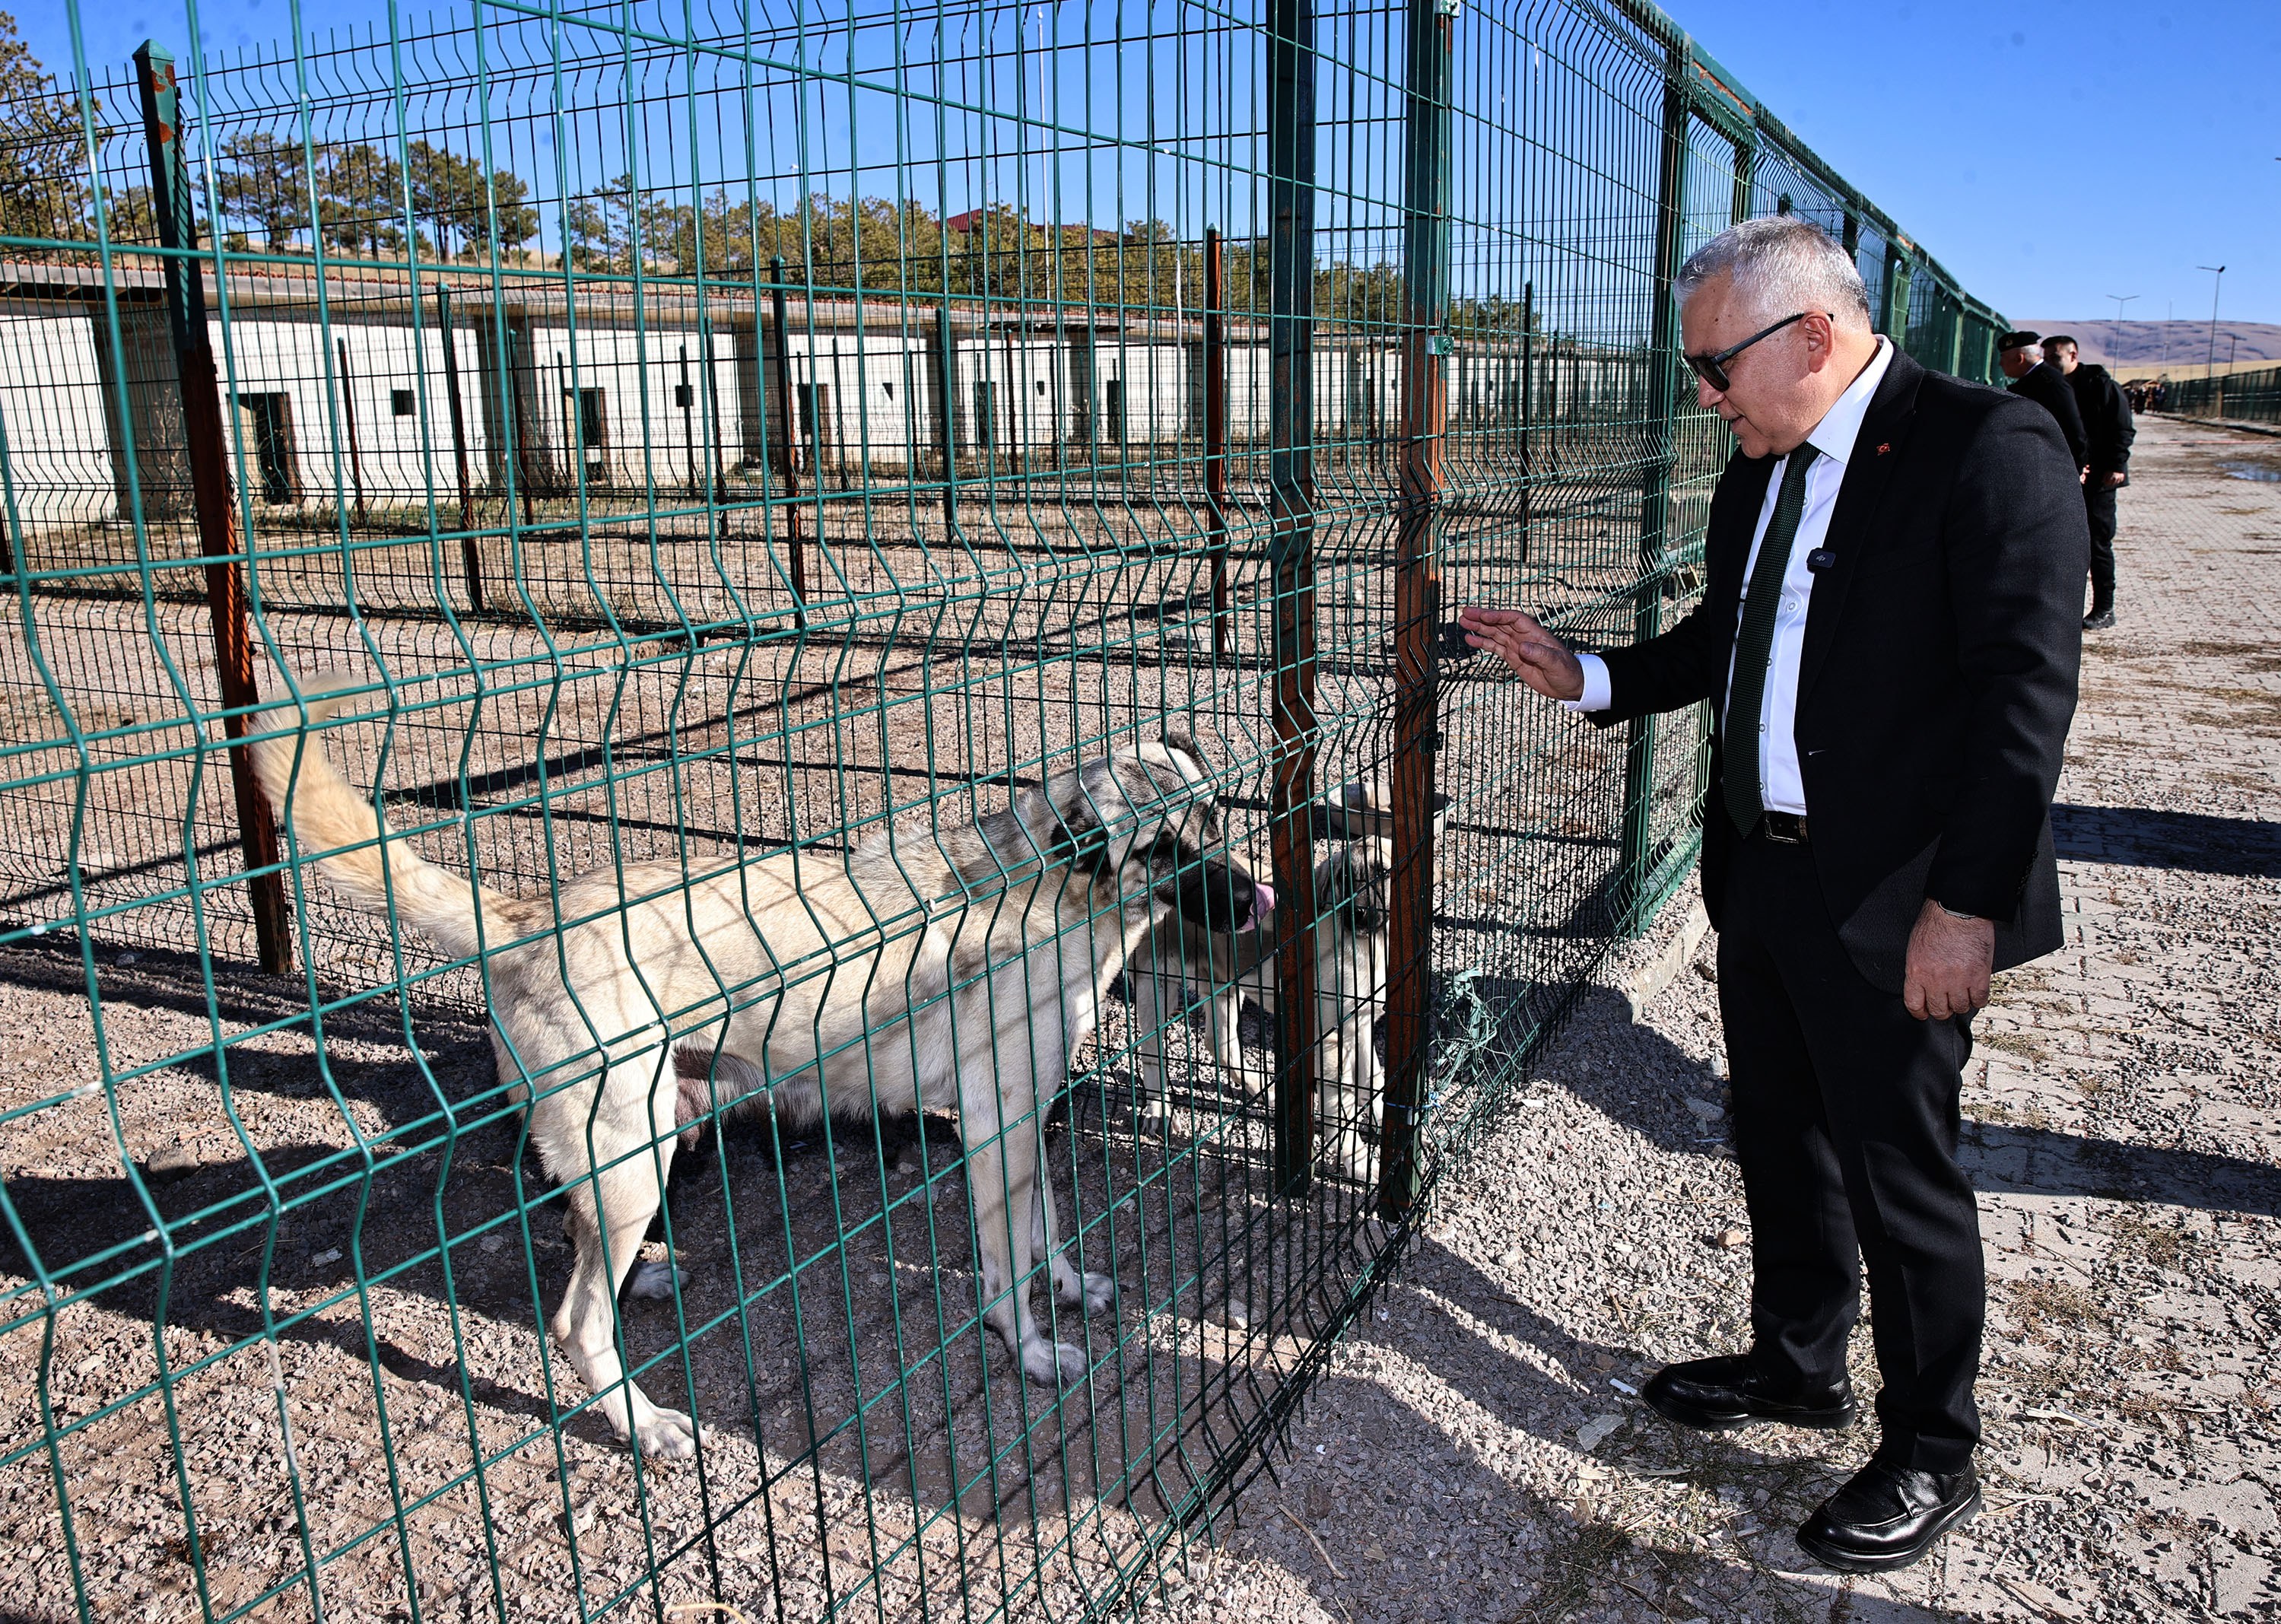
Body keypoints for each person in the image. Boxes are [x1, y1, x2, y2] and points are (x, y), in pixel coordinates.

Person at [1459, 218, 2085, 1576]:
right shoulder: (1760, 466)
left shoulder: (1983, 445)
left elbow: (2019, 706)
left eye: (1711, 366)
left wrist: (1963, 907)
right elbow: (1715, 644)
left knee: (1894, 1170)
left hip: (1898, 898)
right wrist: (1586, 674)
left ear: (1809, 334)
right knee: (1777, 1138)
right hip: (1764, 870)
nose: (1702, 395)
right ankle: (1798, 1363)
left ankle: (1929, 1443)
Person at [2044, 335, 2133, 629]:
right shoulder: (2052, 387)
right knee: (2064, 542)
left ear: (2074, 356)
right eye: (2046, 358)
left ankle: (2104, 608)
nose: (2050, 364)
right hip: (2064, 474)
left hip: (2100, 477)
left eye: (2055, 358)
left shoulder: (2101, 385)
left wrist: (2117, 465)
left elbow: (2122, 427)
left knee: (2097, 542)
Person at [1997, 332, 2089, 470]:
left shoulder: (2050, 383)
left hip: (2050, 466)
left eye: (2003, 357)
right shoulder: (2035, 380)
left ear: (2019, 359)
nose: (2000, 364)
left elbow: (2072, 427)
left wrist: (2076, 467)